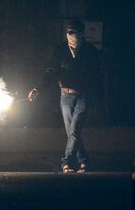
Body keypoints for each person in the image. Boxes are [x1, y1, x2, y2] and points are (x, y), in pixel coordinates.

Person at [28, 19, 102, 173]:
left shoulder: (90, 51)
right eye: (69, 33)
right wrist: (37, 89)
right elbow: (51, 72)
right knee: (72, 132)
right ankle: (84, 161)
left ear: (82, 34)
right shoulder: (60, 50)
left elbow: (97, 76)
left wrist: (100, 99)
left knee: (74, 130)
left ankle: (65, 162)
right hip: (65, 97)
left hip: (84, 96)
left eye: (75, 33)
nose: (72, 36)